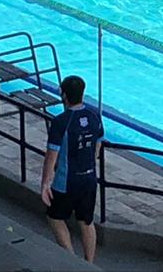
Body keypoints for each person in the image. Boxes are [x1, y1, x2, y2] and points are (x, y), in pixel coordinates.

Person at [41, 75, 104, 260]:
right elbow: (97, 148)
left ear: (64, 95)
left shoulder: (61, 121)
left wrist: (45, 183)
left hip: (66, 182)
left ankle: (71, 259)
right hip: (90, 178)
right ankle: (89, 264)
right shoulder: (94, 117)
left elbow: (51, 155)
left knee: (54, 216)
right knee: (86, 221)